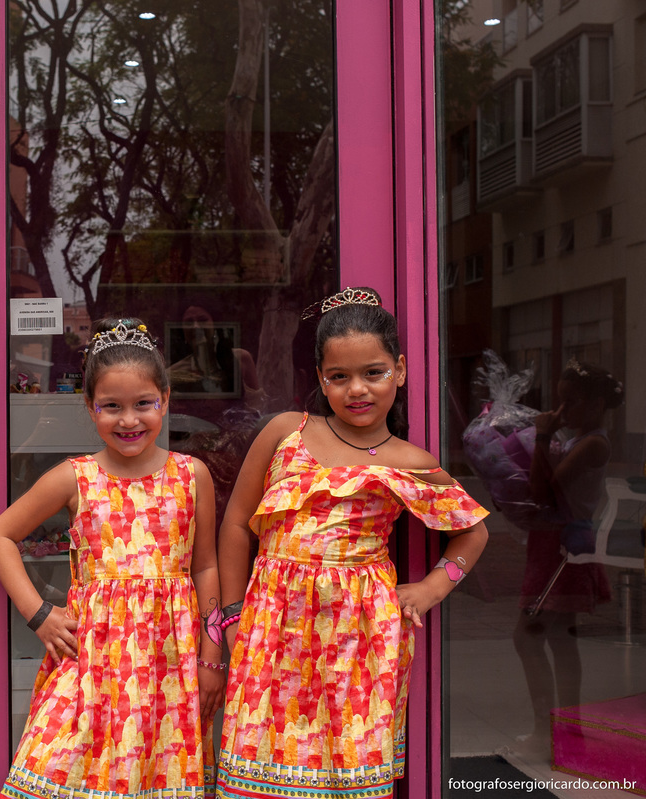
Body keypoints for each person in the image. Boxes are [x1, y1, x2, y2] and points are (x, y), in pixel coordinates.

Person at [215, 288, 490, 799]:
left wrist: (431, 589)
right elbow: (235, 525)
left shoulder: (412, 461)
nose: (356, 389)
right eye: (339, 377)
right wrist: (232, 615)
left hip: (361, 636)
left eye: (374, 373)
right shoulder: (286, 431)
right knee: (260, 766)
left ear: (399, 371)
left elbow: (473, 531)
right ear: (321, 379)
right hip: (273, 623)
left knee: (349, 772)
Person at [0, 317, 224, 799]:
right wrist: (39, 614)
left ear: (165, 401)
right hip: (92, 660)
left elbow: (205, 567)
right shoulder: (74, 477)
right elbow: (0, 535)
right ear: (90, 407)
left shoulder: (192, 475)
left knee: (156, 772)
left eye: (143, 404)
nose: (128, 420)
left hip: (170, 662)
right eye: (111, 406)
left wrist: (212, 655)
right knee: (66, 766)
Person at [514, 360, 618, 752]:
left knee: (528, 636)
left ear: (596, 405)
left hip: (564, 547)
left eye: (570, 402)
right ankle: (567, 733)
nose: (561, 412)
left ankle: (548, 731)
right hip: (556, 543)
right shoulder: (579, 439)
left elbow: (547, 491)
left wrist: (542, 437)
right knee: (560, 639)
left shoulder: (593, 444)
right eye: (559, 402)